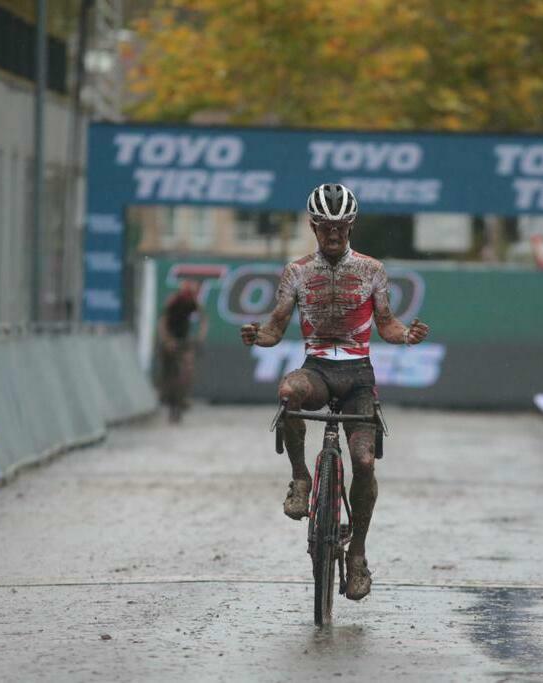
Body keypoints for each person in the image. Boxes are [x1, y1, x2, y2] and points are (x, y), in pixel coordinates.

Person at [240, 183, 429, 600]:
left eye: (341, 227)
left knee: (363, 462)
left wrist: (406, 336)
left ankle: (357, 554)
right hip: (318, 370)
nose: (333, 235)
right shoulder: (296, 272)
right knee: (288, 390)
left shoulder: (372, 270)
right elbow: (275, 326)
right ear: (312, 226)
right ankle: (300, 479)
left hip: (358, 376)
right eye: (325, 227)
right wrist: (257, 336)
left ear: (352, 225)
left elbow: (387, 323)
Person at [157, 280, 208, 422]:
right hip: (169, 337)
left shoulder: (193, 302)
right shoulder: (174, 301)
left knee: (188, 367)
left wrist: (200, 337)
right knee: (166, 369)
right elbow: (162, 322)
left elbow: (204, 319)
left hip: (184, 339)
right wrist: (167, 340)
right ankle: (165, 393)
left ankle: (184, 395)